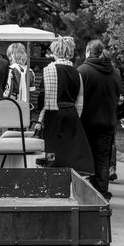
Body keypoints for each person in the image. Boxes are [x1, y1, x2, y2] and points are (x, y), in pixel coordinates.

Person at [36, 36, 94, 174]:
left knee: (50, 149)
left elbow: (43, 98)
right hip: (71, 112)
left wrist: (39, 120)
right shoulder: (77, 72)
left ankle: (50, 177)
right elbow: (80, 99)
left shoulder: (48, 70)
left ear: (55, 51)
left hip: (52, 113)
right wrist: (76, 116)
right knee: (69, 150)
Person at [78, 39, 121, 200]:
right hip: (108, 122)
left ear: (88, 52)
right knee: (103, 158)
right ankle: (102, 193)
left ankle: (88, 193)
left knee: (87, 157)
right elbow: (117, 96)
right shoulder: (114, 72)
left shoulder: (83, 71)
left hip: (87, 122)